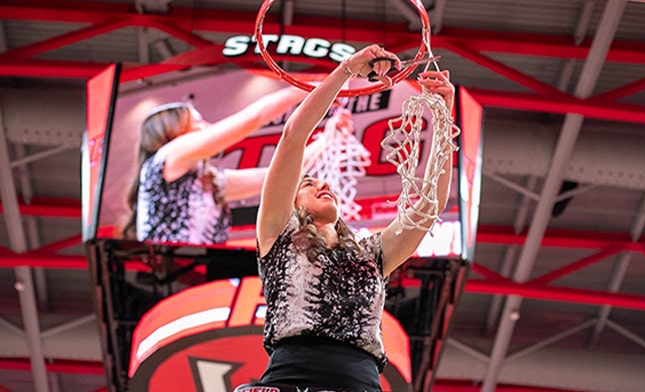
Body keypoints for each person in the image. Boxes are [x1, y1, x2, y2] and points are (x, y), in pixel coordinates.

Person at [251, 44, 456, 392]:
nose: (323, 184)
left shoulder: (372, 255)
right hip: (289, 378)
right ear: (291, 202)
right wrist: (346, 70)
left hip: (361, 382)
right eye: (309, 184)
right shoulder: (277, 235)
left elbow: (428, 208)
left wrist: (443, 116)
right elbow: (292, 138)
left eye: (323, 181)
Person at [122, 86, 311, 245]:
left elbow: (279, 175)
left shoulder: (207, 180)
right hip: (169, 276)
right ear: (174, 131)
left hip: (199, 276)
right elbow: (254, 117)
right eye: (198, 122)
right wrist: (309, 87)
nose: (208, 126)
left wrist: (330, 135)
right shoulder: (166, 157)